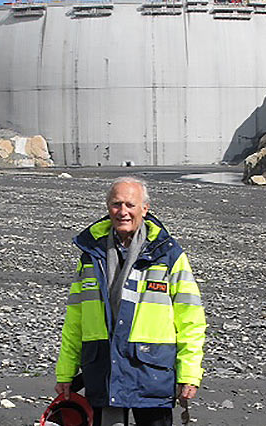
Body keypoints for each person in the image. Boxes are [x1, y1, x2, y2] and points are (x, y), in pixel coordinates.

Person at [54, 176, 206, 426]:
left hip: (151, 374)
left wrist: (189, 373)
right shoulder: (91, 256)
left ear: (145, 209)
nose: (122, 211)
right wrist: (66, 372)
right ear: (107, 207)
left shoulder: (168, 254)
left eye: (130, 205)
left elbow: (190, 318)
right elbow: (75, 321)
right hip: (104, 371)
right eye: (116, 204)